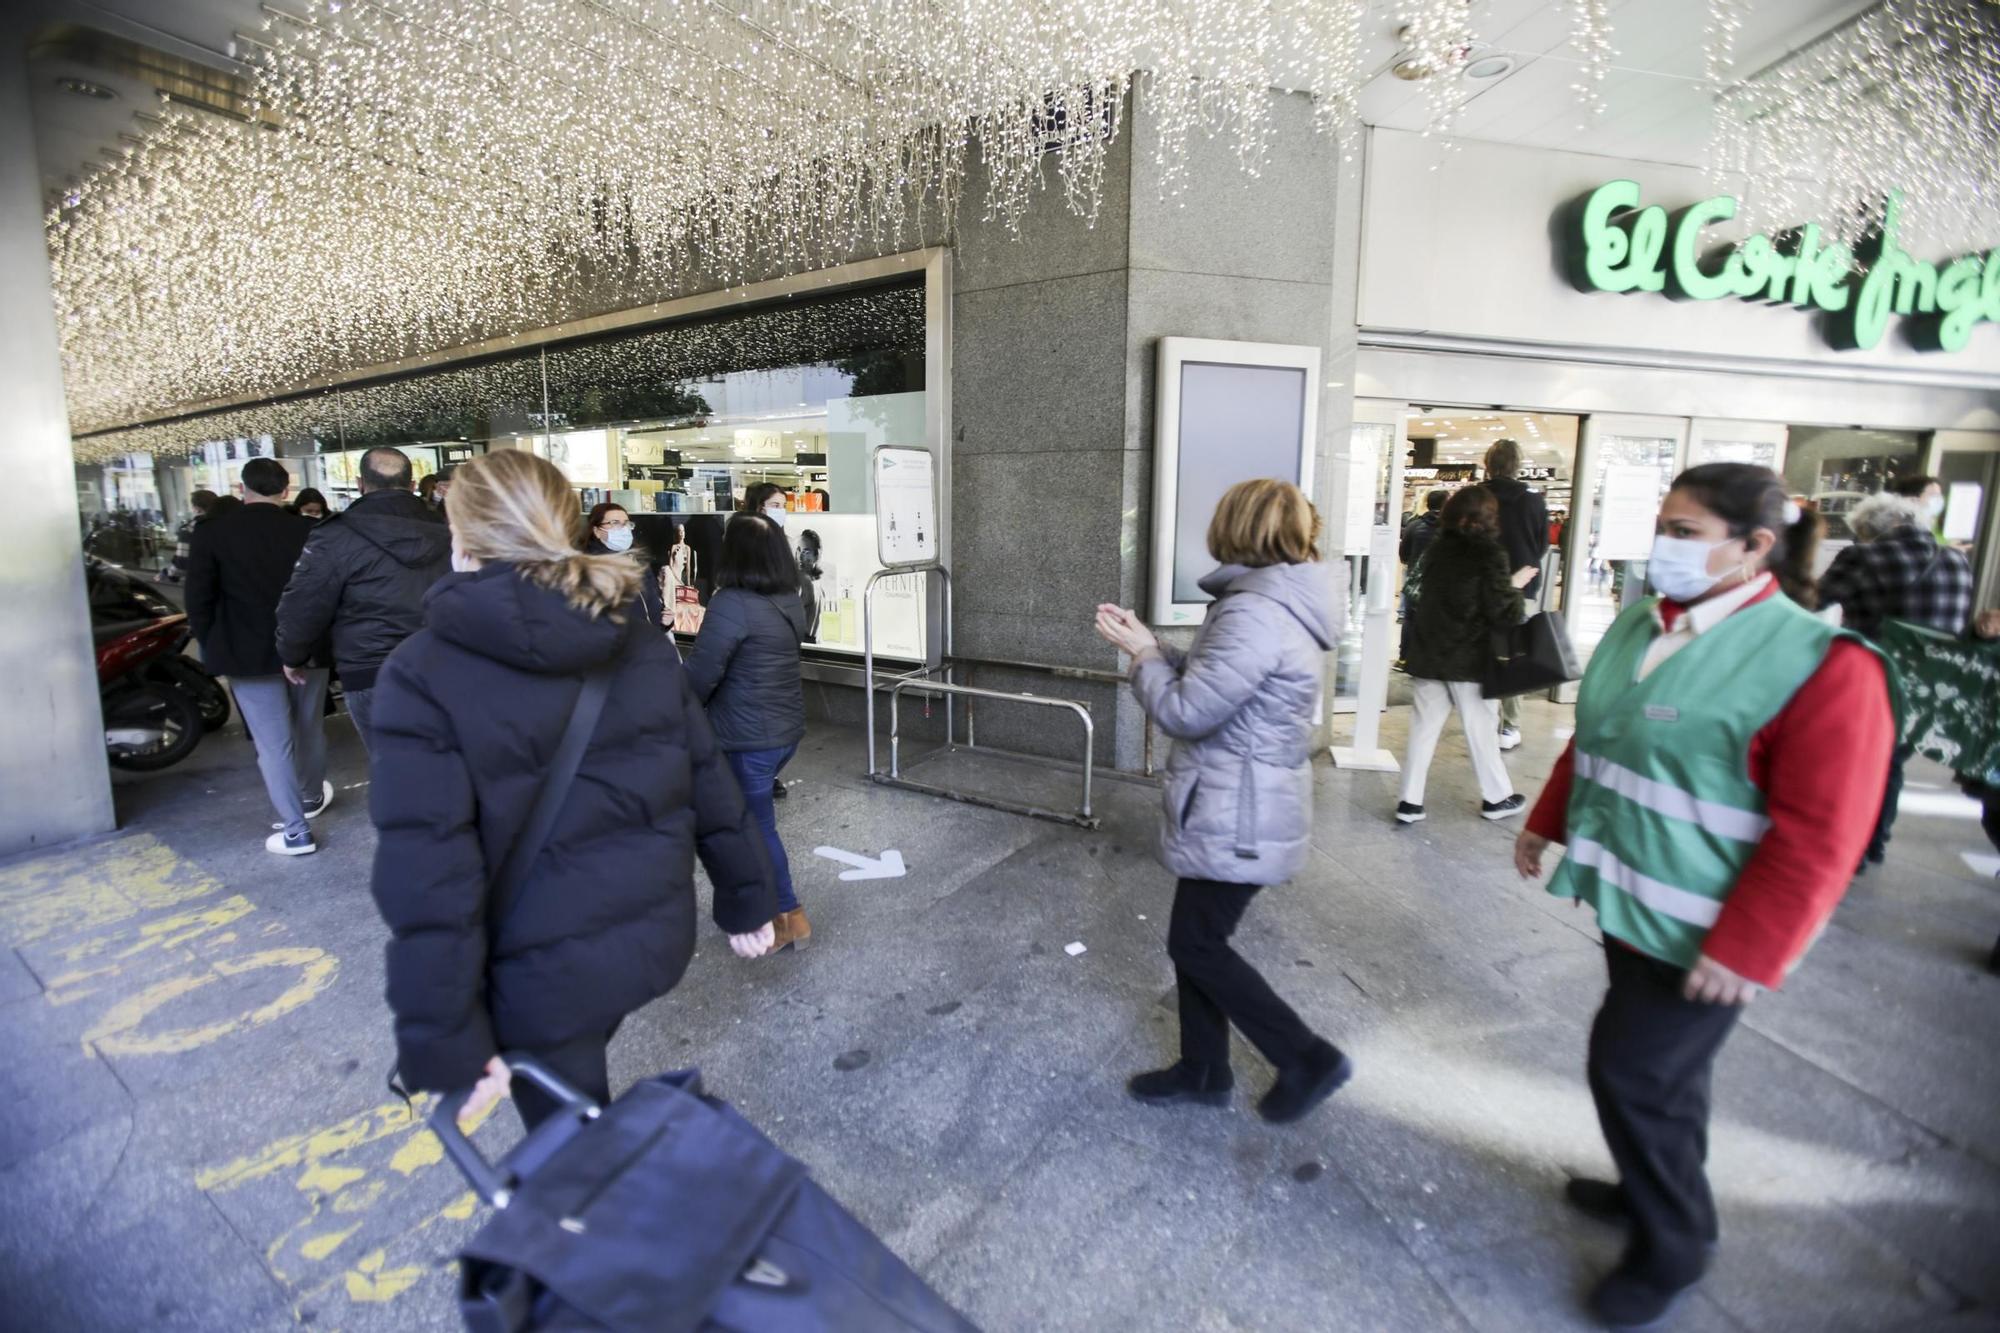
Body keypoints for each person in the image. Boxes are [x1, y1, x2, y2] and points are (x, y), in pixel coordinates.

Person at [1513, 463, 1893, 1330]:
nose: (1663, 546)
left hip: (1713, 931)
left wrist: (1749, 949)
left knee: (1632, 1068)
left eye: (1685, 532)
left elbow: (1821, 835)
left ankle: (1675, 1242)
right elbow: (1596, 736)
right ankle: (1651, 1182)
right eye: (1663, 526)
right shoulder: (1641, 624)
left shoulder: (1821, 664)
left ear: (1756, 546)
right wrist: (1547, 821)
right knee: (1663, 1075)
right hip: (1635, 902)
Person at [368, 450, 778, 1131]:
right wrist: (745, 896)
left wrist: (444, 1039)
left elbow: (425, 866)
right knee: (577, 1095)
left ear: (460, 535)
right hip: (650, 934)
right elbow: (706, 773)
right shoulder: (637, 639)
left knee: (566, 1145)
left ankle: (595, 1212)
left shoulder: (420, 672)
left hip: (538, 971)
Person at [1094, 479, 1350, 1124]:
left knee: (1199, 946)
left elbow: (1186, 709)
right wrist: (1155, 646)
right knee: (1194, 942)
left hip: (1239, 809)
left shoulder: (1255, 611)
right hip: (1241, 802)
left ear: (1236, 529)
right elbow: (1223, 682)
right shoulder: (1269, 601)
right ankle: (1203, 1070)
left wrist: (1142, 657)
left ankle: (1307, 1057)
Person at [1818, 490, 1973, 867]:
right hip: (1932, 683)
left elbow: (1816, 601)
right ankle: (1876, 842)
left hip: (1874, 675)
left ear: (1871, 529)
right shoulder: (1956, 560)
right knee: (1892, 762)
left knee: (1857, 761)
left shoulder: (1863, 556)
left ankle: (1849, 847)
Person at [184, 458, 331, 856]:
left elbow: (198, 599)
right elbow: (326, 590)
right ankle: (311, 797)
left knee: (274, 744)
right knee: (310, 727)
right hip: (308, 647)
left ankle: (296, 831)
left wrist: (212, 641)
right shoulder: (309, 529)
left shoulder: (213, 533)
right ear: (286, 491)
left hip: (246, 652)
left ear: (242, 489)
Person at [683, 513, 813, 950]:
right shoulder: (791, 596)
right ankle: (783, 913)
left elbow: (701, 673)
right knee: (759, 825)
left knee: (756, 830)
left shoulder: (732, 603)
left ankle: (788, 915)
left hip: (746, 737)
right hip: (783, 730)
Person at [276, 446, 451, 752]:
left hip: (370, 669)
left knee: (392, 770)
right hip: (444, 663)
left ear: (360, 483)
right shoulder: (449, 529)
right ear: (412, 485)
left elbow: (304, 603)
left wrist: (292, 655)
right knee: (447, 766)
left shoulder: (335, 535)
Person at [1395, 486, 1526, 825]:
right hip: (1470, 660)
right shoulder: (1490, 555)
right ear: (1488, 518)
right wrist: (1516, 586)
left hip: (1429, 652)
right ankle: (1496, 798)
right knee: (1481, 729)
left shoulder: (1437, 550)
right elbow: (1504, 613)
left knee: (1422, 730)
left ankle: (1409, 802)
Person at [1483, 439, 1550, 752]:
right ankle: (1509, 725)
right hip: (1521, 585)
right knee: (1513, 654)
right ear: (1517, 464)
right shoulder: (1532, 501)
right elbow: (1541, 546)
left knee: (1482, 649)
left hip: (1481, 585)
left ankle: (1482, 716)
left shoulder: (1478, 497)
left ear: (1489, 462)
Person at [586, 501, 669, 638]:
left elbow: (653, 601)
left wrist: (665, 622)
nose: (623, 528)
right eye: (615, 523)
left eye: (626, 523)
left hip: (648, 643)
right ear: (597, 531)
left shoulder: (637, 560)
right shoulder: (592, 567)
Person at [162, 488, 219, 584]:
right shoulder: (226, 525)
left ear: (196, 508)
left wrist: (168, 573)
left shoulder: (189, 530)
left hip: (203, 586)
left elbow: (181, 565)